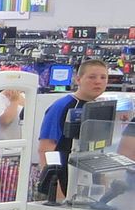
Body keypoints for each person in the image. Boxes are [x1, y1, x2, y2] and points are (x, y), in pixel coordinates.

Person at [38, 59, 109, 201]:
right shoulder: (63, 106)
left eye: (103, 77)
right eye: (92, 77)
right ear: (78, 79)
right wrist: (55, 188)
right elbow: (47, 148)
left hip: (87, 187)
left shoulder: (99, 108)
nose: (98, 82)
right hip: (63, 184)